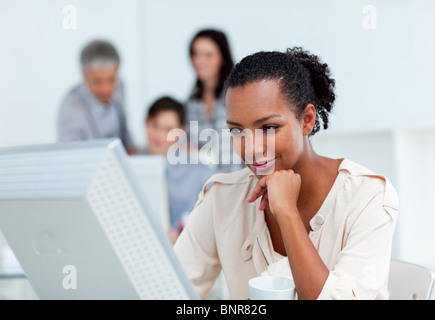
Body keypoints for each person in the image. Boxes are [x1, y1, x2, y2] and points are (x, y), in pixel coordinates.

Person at [174, 47, 399, 300]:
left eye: (269, 127)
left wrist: (287, 213)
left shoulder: (367, 196)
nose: (252, 148)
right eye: (237, 131)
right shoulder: (223, 198)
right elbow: (168, 290)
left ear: (306, 120)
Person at [144, 96, 214, 243]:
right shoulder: (127, 166)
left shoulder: (200, 172)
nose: (159, 135)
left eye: (168, 130)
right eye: (155, 126)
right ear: (146, 123)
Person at [57, 39, 137, 154]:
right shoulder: (70, 109)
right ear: (84, 76)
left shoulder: (120, 87)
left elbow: (124, 134)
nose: (106, 89)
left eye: (112, 79)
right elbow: (71, 157)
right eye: (97, 82)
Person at [186, 29, 242, 172]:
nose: (200, 61)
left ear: (222, 57)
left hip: (238, 180)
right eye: (195, 54)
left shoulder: (237, 96)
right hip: (207, 184)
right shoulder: (192, 102)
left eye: (208, 55)